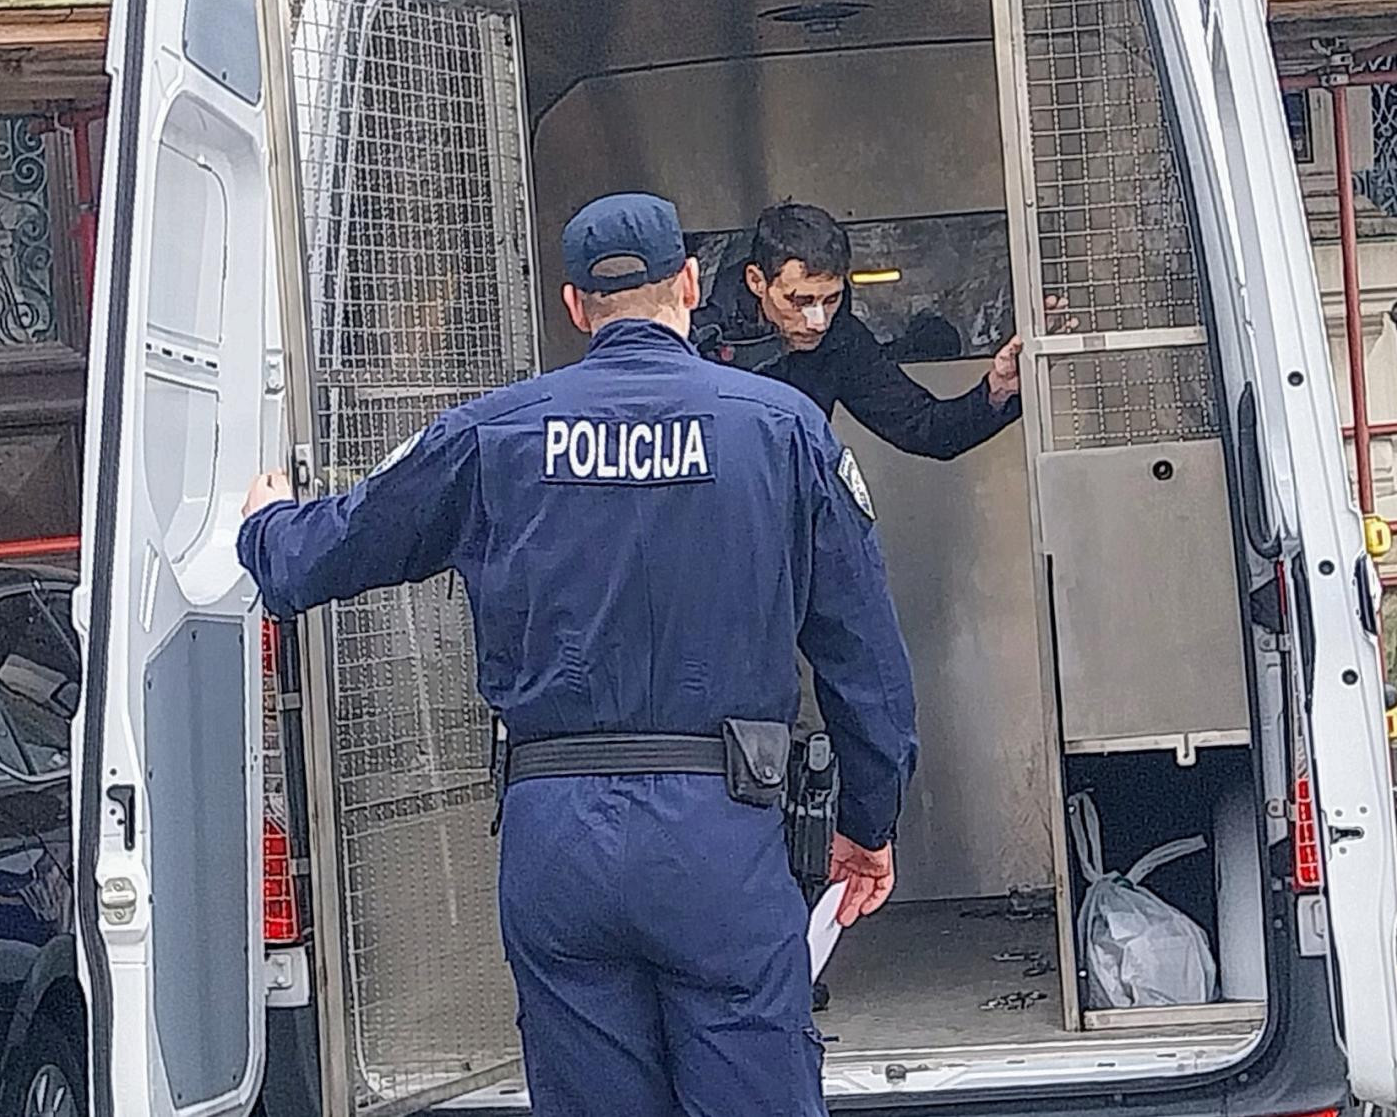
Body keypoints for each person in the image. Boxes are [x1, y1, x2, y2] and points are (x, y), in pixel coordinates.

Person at [236, 193, 918, 1117]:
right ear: (689, 284)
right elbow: (864, 657)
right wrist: (869, 823)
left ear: (574, 306)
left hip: (556, 841)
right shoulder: (782, 429)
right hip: (718, 833)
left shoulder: (494, 434)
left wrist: (268, 523)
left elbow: (328, 551)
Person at [694, 202, 1065, 461]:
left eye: (831, 299)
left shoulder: (840, 339)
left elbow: (927, 429)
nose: (818, 320)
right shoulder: (696, 334)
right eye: (800, 300)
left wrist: (998, 390)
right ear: (757, 282)